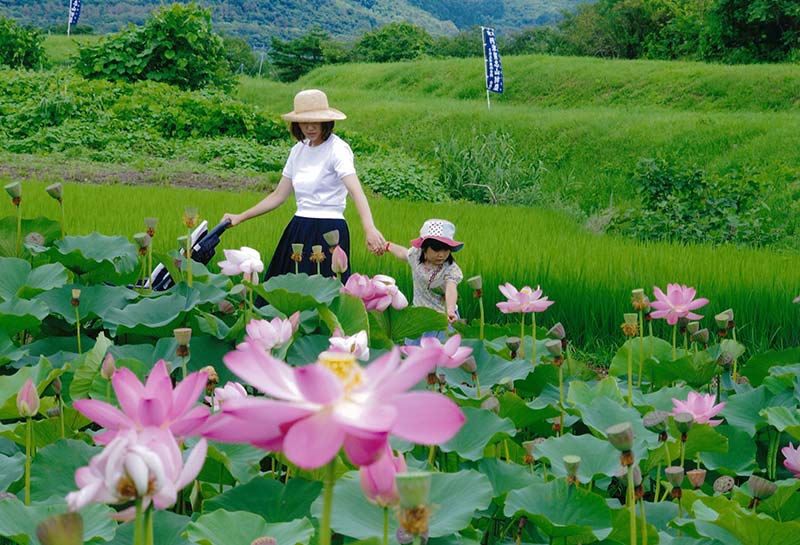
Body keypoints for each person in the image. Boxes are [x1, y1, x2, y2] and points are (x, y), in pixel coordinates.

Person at [221, 89, 385, 282]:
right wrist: (240, 217)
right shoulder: (298, 151)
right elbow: (278, 196)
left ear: (326, 121)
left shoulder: (338, 149)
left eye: (315, 121)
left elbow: (356, 193)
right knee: (284, 291)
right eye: (305, 121)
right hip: (299, 227)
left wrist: (369, 228)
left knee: (325, 293)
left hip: (329, 230)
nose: (310, 127)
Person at [384, 219, 464, 324]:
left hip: (441, 317)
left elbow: (451, 289)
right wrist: (387, 246)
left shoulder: (450, 269)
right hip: (419, 315)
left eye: (446, 250)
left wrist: (450, 310)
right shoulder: (416, 255)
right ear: (424, 247)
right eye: (436, 249)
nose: (441, 255)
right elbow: (403, 253)